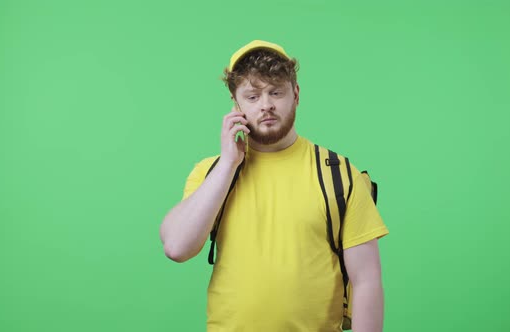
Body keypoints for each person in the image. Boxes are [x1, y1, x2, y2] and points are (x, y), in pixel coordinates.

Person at [159, 40, 389, 332]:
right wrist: (229, 163)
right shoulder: (212, 172)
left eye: (275, 92)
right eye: (252, 96)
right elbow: (177, 247)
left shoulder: (340, 174)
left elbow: (367, 279)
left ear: (295, 95)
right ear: (236, 105)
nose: (266, 104)